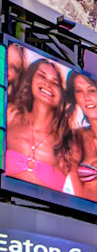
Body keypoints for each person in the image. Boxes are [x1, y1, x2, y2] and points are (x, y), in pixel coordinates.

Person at [6, 57, 77, 192]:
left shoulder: (69, 143)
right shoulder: (10, 116)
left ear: (62, 94)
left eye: (55, 82)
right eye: (42, 76)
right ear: (31, 80)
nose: (47, 84)